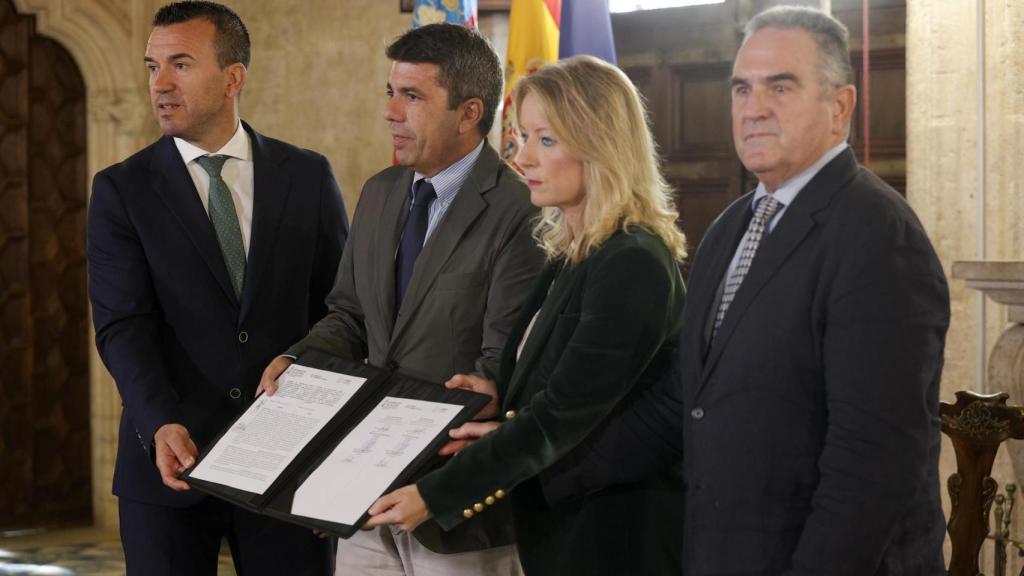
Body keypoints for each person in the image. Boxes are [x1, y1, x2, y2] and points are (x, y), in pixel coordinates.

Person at [363, 55, 689, 576]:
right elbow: (552, 383)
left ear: (600, 144)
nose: (522, 158)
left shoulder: (632, 260)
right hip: (561, 525)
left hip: (616, 535)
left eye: (546, 140)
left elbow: (562, 415)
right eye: (520, 137)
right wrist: (501, 392)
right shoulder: (571, 252)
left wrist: (435, 494)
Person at [258, 23, 542, 576]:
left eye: (412, 96)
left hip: (455, 512)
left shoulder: (521, 210)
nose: (390, 111)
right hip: (364, 505)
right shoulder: (380, 191)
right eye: (390, 92)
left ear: (469, 112)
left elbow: (500, 368)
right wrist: (299, 361)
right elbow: (350, 315)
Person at [676, 6, 949, 574]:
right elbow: (701, 403)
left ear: (840, 106)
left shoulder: (879, 235)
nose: (753, 110)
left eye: (780, 86)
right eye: (741, 89)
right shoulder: (729, 229)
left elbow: (873, 463)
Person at [87, 2, 348, 574]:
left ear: (233, 78)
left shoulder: (307, 175)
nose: (160, 83)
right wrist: (160, 422)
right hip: (169, 464)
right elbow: (122, 325)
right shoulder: (121, 190)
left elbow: (340, 310)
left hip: (289, 464)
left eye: (180, 64)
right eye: (152, 66)